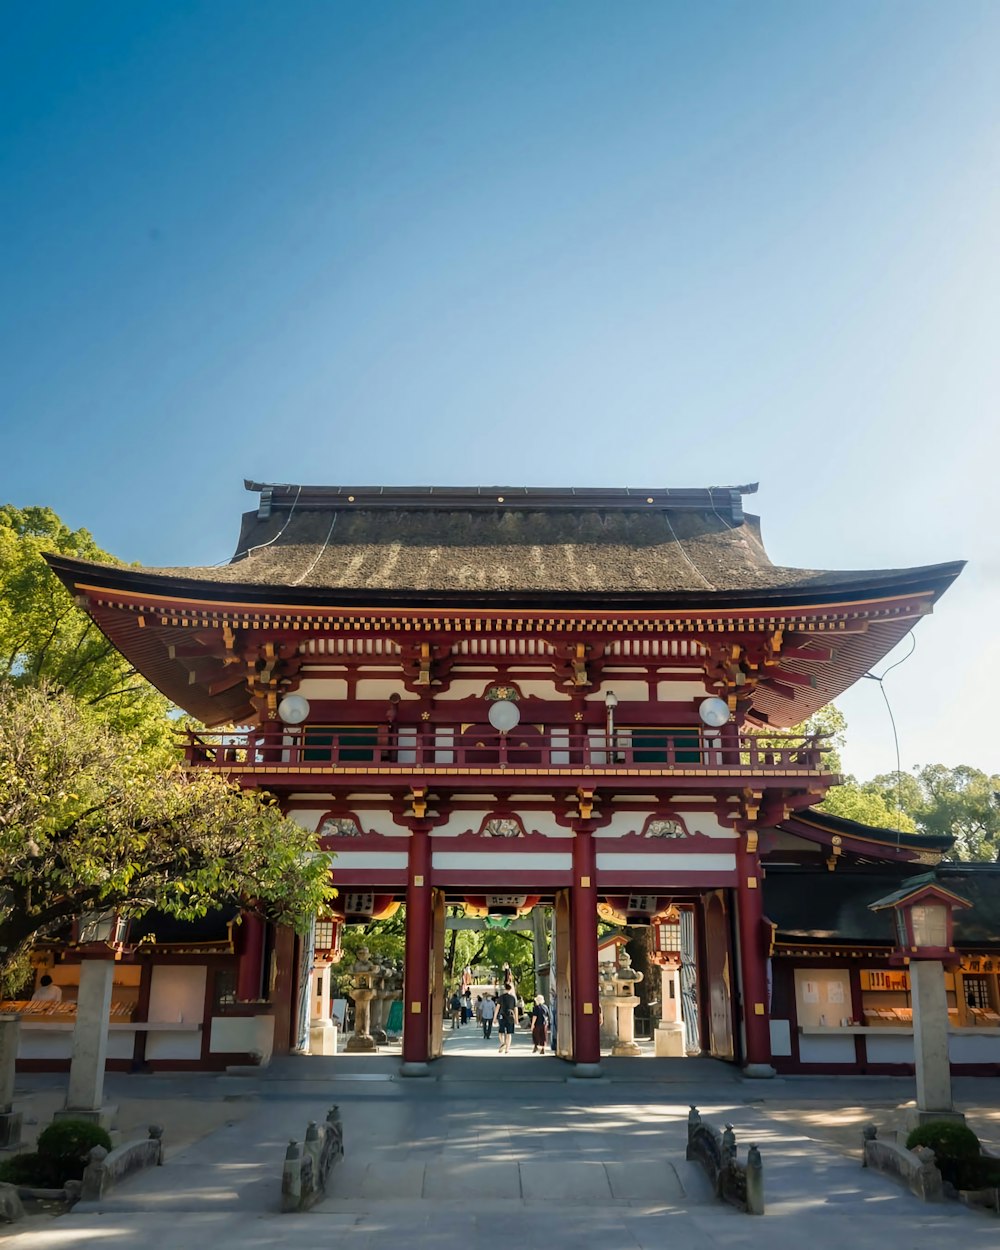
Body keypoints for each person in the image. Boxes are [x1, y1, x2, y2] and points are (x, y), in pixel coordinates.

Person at [496, 979, 519, 1054]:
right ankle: (507, 1049)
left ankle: (503, 1043)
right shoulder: (513, 998)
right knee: (509, 1033)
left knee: (501, 1032)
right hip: (510, 1016)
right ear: (510, 989)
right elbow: (515, 1009)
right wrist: (516, 1019)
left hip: (502, 1015)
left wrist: (494, 1017)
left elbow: (497, 1008)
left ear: (504, 989)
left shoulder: (501, 997)